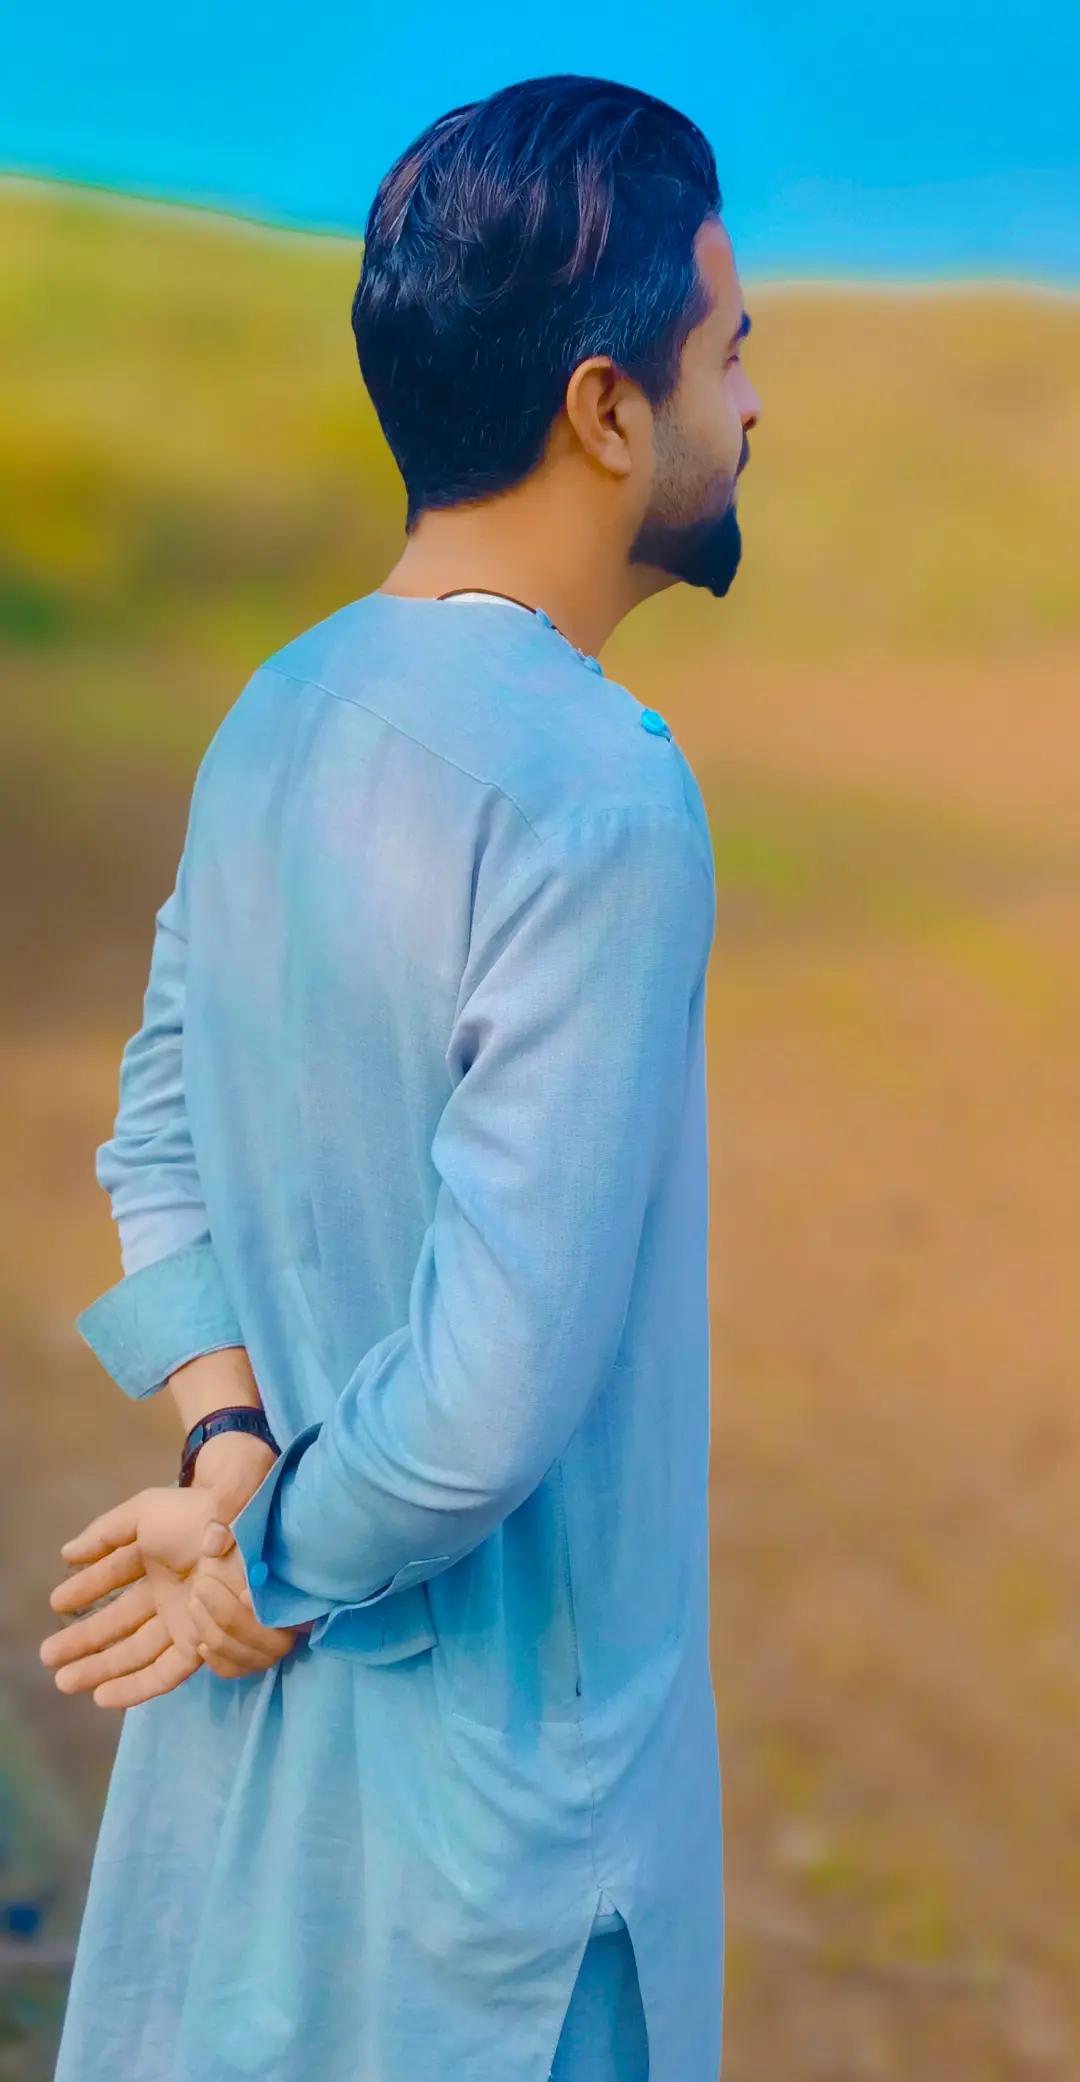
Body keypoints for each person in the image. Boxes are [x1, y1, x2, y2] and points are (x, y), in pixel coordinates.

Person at [42, 70, 761, 2082]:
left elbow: (153, 1139)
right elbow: (482, 1403)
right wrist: (260, 1568)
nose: (749, 408)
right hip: (511, 1887)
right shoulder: (597, 789)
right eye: (730, 354)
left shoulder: (278, 711)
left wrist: (226, 1448)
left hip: (256, 1824)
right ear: (609, 410)